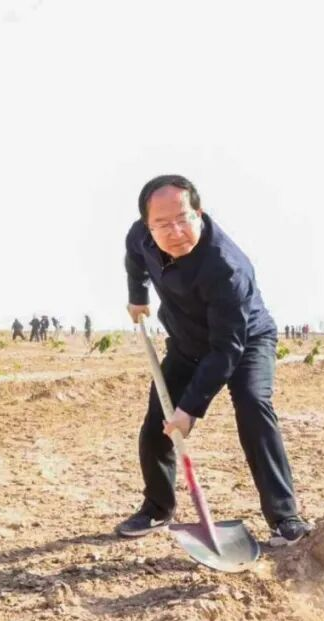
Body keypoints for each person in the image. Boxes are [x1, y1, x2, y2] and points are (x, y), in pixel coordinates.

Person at [117, 174, 311, 547]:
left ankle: (284, 516)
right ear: (148, 225)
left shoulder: (226, 268)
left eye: (183, 219)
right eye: (162, 224)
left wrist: (191, 410)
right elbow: (134, 257)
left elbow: (227, 349)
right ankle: (157, 507)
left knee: (253, 405)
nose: (175, 231)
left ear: (199, 213)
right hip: (187, 342)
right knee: (158, 419)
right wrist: (137, 295)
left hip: (244, 341)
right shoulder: (140, 236)